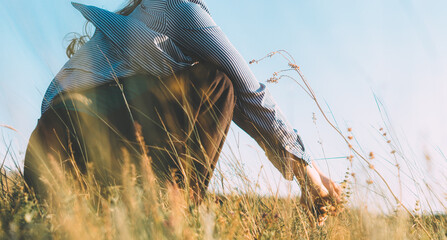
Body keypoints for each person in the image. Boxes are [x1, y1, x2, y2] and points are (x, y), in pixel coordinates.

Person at [24, 0, 341, 226]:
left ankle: (162, 207)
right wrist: (311, 179)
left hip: (45, 159)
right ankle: (179, 211)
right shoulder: (179, 8)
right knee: (218, 83)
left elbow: (242, 108)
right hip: (75, 147)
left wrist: (304, 170)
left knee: (214, 87)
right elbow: (248, 92)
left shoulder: (140, 12)